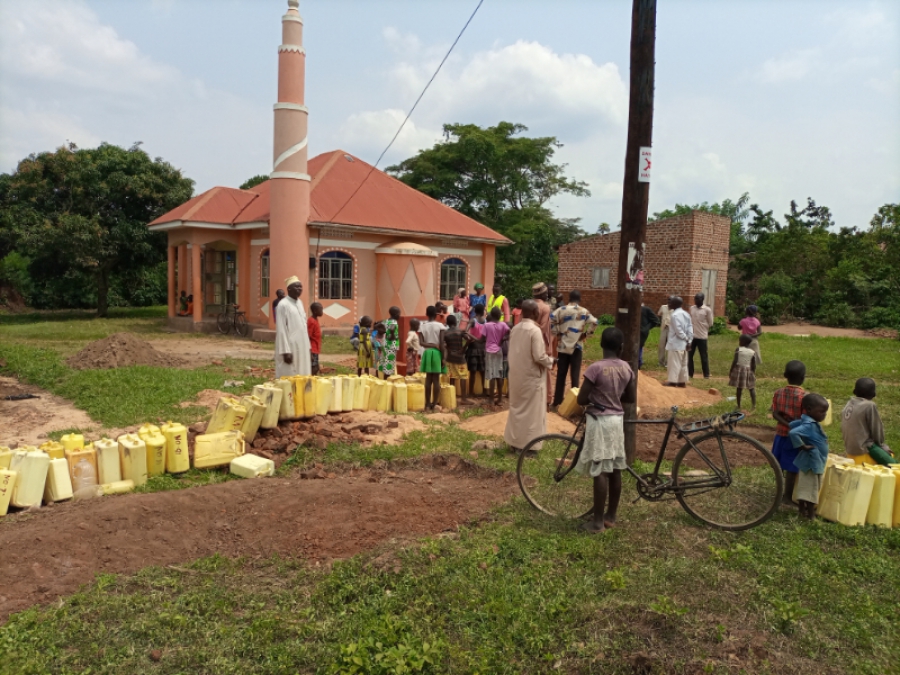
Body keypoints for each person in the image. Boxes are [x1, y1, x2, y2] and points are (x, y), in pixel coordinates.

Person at [575, 327, 636, 534]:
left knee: (600, 470)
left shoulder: (595, 368)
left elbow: (581, 399)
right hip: (617, 420)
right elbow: (630, 398)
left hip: (599, 421)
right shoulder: (627, 369)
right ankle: (611, 516)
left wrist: (596, 398)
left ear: (601, 344)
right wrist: (613, 398)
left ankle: (597, 522)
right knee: (615, 469)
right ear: (621, 347)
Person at [504, 299, 556, 453]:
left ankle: (514, 443)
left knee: (516, 409)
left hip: (515, 376)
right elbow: (539, 357)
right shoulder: (534, 331)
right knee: (532, 413)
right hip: (531, 377)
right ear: (535, 313)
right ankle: (529, 446)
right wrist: (551, 361)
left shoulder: (515, 329)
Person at [550, 290, 598, 409]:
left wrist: (557, 333)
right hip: (577, 346)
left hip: (562, 347)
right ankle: (574, 403)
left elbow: (551, 319)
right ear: (579, 299)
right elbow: (595, 322)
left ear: (569, 298)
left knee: (561, 374)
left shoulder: (561, 310)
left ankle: (557, 402)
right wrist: (587, 334)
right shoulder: (583, 311)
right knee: (575, 375)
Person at [788, 393, 830, 520]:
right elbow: (793, 432)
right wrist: (802, 446)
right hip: (812, 462)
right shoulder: (809, 425)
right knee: (811, 490)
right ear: (810, 409)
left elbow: (792, 425)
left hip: (810, 461)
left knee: (805, 487)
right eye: (822, 412)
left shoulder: (807, 421)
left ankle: (801, 511)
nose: (824, 415)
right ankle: (811, 515)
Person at [771, 360, 807, 505]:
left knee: (778, 464)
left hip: (780, 435)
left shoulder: (778, 393)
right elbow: (805, 419)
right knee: (792, 468)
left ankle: (778, 491)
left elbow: (775, 414)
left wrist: (787, 423)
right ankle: (787, 496)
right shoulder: (804, 397)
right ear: (804, 377)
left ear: (785, 375)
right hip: (795, 439)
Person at [841, 378, 896, 465]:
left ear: (854, 391)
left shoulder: (849, 403)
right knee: (894, 465)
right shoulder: (869, 405)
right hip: (864, 447)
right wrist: (882, 446)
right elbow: (876, 429)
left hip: (850, 448)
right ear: (874, 394)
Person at [274, 276, 311, 378]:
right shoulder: (283, 305)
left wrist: (308, 346)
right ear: (289, 289)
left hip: (302, 344)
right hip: (290, 346)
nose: (299, 289)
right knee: (290, 374)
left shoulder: (300, 303)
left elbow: (304, 326)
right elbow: (281, 329)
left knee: (303, 373)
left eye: (300, 287)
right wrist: (285, 351)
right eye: (296, 287)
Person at [419, 305, 447, 411]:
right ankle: (434, 404)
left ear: (426, 314)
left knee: (428, 379)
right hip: (436, 353)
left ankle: (427, 405)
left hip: (427, 353)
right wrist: (443, 357)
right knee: (436, 380)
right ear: (436, 314)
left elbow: (421, 342)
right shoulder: (440, 326)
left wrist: (430, 345)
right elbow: (441, 343)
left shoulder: (422, 326)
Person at [484, 307, 511, 407]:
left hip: (489, 352)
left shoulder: (487, 325)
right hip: (498, 351)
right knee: (499, 375)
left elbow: (482, 338)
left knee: (491, 376)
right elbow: (510, 332)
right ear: (500, 316)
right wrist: (503, 339)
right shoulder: (503, 324)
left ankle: (491, 399)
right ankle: (499, 399)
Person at [532, 282, 554, 405]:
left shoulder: (528, 306)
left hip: (528, 343)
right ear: (542, 294)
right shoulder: (545, 308)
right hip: (542, 344)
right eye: (546, 293)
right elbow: (544, 328)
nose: (547, 295)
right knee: (546, 370)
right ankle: (547, 398)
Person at [665, 296, 693, 387]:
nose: (669, 304)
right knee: (684, 363)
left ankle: (673, 382)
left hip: (676, 343)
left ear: (675, 304)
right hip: (685, 344)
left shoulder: (674, 315)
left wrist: (686, 339)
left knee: (674, 363)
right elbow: (690, 328)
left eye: (671, 302)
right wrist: (689, 340)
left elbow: (678, 331)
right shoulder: (686, 314)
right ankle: (682, 382)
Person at [442, 315, 470, 404]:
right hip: (460, 358)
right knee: (463, 377)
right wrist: (463, 349)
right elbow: (469, 339)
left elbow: (444, 345)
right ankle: (463, 399)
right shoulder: (460, 331)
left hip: (450, 358)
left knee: (452, 377)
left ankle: (452, 397)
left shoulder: (445, 333)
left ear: (447, 323)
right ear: (455, 322)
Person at [688, 293, 714, 379]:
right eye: (695, 299)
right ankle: (690, 374)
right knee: (689, 355)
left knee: (703, 356)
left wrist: (703, 327)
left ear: (702, 299)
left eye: (698, 299)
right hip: (692, 336)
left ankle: (706, 374)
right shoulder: (692, 308)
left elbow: (710, 323)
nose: (696, 300)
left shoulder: (707, 310)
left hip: (702, 336)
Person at [728, 334, 757, 410]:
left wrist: (731, 370)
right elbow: (753, 364)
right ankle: (754, 405)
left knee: (739, 388)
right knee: (751, 388)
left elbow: (735, 361)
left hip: (740, 370)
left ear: (743, 342)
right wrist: (753, 373)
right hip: (748, 370)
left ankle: (738, 405)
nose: (739, 342)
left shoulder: (738, 349)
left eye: (740, 341)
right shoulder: (752, 352)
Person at [465, 304, 487, 397]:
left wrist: (469, 338)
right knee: (483, 371)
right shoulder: (485, 321)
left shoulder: (472, 320)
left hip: (473, 348)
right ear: (482, 311)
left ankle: (471, 392)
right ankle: (484, 391)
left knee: (473, 372)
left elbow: (466, 331)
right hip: (482, 348)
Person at [377, 306, 401, 379]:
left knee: (384, 361)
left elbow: (377, 325)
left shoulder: (385, 321)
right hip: (391, 345)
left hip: (385, 344)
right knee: (389, 363)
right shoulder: (394, 322)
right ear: (396, 314)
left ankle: (383, 379)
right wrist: (392, 335)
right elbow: (392, 328)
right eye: (399, 314)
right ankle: (387, 381)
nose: (399, 315)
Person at [639, 303, 660, 369]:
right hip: (630, 332)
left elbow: (656, 321)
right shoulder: (629, 308)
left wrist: (646, 328)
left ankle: (639, 362)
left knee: (639, 346)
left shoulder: (645, 309)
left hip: (641, 333)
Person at [308, 302, 323, 375]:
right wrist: (310, 352)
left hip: (316, 349)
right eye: (321, 309)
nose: (322, 311)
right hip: (312, 349)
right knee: (314, 368)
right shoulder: (311, 321)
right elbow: (308, 336)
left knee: (316, 367)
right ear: (315, 311)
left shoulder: (315, 319)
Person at [657, 298, 672, 367]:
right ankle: (661, 361)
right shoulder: (663, 307)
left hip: (671, 329)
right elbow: (659, 314)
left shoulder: (675, 309)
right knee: (661, 345)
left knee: (670, 346)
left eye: (671, 302)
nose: (669, 303)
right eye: (668, 301)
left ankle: (668, 362)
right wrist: (661, 322)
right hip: (663, 328)